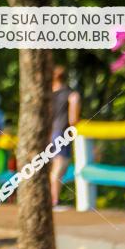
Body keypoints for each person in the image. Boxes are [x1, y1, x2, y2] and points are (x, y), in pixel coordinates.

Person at [50, 65, 81, 210]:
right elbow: (73, 119)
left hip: (48, 133)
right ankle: (54, 200)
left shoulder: (47, 94)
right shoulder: (71, 94)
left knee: (53, 167)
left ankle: (52, 199)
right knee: (60, 166)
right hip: (61, 133)